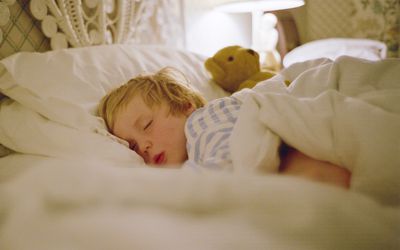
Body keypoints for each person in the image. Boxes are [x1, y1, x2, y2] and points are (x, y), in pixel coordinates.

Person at [98, 67, 351, 189]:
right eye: (132, 145)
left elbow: (227, 157)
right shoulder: (192, 150)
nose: (143, 147)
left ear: (185, 106)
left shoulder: (203, 120)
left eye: (147, 125)